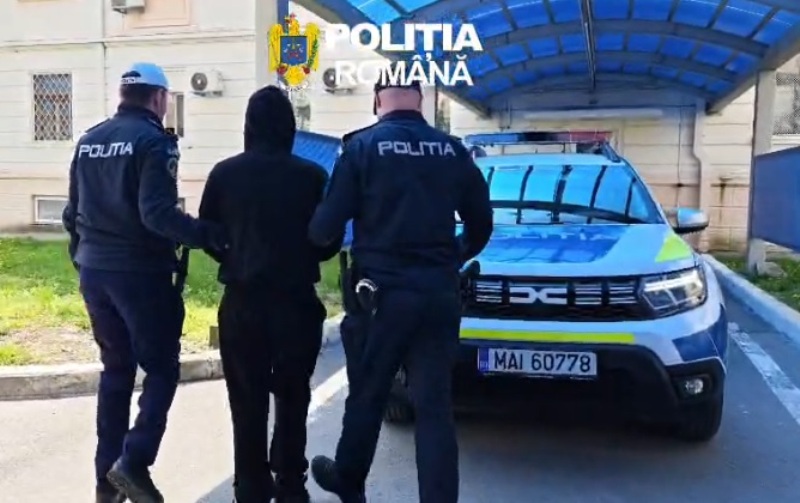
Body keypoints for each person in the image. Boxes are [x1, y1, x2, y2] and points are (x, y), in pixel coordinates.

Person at [307, 69, 494, 503]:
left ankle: (349, 479)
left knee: (368, 394)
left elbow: (323, 228)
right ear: (420, 100)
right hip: (438, 295)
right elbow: (482, 224)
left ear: (377, 101)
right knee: (434, 408)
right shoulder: (452, 150)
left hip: (381, 298)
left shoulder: (361, 148)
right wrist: (452, 257)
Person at [62, 62, 228, 503]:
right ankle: (134, 462)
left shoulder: (89, 141)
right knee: (161, 367)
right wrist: (208, 235)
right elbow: (157, 214)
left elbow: (70, 215)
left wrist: (84, 260)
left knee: (116, 371)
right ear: (159, 98)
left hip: (95, 272)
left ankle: (105, 483)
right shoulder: (155, 142)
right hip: (139, 275)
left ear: (122, 96)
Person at [197, 85, 342, 503]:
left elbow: (208, 233)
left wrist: (234, 252)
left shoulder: (224, 174)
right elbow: (327, 241)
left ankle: (250, 486)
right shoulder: (312, 176)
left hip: (242, 302)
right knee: (294, 394)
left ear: (248, 126)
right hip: (296, 303)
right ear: (289, 127)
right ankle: (291, 483)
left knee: (246, 400)